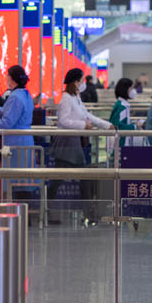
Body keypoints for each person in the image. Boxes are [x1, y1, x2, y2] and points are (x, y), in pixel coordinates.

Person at [56, 67, 113, 224]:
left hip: (74, 143)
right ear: (75, 82)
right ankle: (87, 212)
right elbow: (63, 121)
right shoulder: (66, 99)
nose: (83, 83)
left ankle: (87, 212)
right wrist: (83, 125)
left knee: (63, 178)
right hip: (67, 144)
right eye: (81, 80)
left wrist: (106, 125)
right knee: (65, 178)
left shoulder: (75, 98)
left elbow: (87, 115)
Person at [0, 64, 35, 153]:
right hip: (24, 139)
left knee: (17, 162)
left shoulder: (15, 97)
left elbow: (7, 122)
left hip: (16, 141)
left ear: (10, 78)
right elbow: (8, 111)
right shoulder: (25, 94)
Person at [108, 77, 141, 143]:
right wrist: (135, 126)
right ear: (125, 89)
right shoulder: (122, 106)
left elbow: (122, 122)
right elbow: (118, 126)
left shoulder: (122, 104)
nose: (133, 91)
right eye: (131, 88)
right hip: (120, 143)